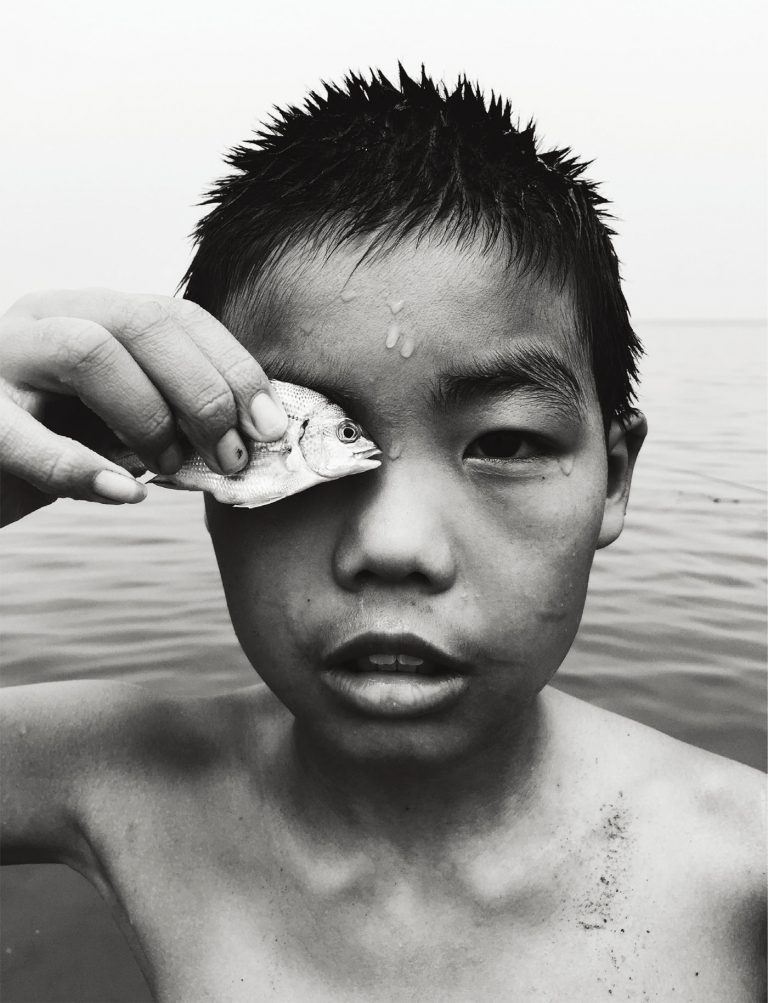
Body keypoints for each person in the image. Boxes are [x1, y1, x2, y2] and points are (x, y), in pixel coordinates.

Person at [1, 67, 764, 1002]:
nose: (396, 544)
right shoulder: (122, 775)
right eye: (284, 448)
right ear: (203, 467)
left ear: (614, 476)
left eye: (507, 443)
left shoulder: (740, 867)